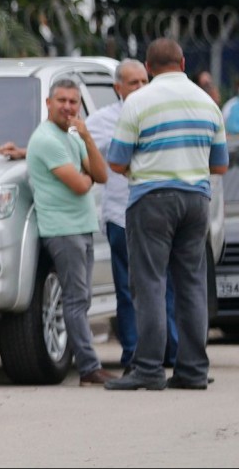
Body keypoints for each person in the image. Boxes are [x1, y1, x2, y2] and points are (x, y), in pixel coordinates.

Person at [105, 38, 228, 391]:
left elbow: (116, 160)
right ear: (183, 62)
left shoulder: (138, 101)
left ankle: (148, 369)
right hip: (195, 202)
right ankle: (191, 371)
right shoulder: (208, 104)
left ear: (148, 67)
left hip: (151, 200)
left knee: (149, 284)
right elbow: (219, 165)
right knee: (191, 285)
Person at [86, 59, 178, 374]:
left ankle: (170, 351)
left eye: (144, 81)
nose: (140, 87)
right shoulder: (103, 120)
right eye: (133, 83)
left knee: (164, 285)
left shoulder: (162, 113)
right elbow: (75, 148)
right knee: (128, 289)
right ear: (118, 88)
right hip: (120, 214)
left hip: (158, 214)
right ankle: (133, 354)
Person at [25, 77, 115, 386]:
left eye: (73, 102)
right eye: (61, 100)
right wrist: (86, 175)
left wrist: (87, 138)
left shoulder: (75, 136)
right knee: (76, 301)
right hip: (62, 230)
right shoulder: (46, 139)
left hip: (82, 227)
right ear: (48, 103)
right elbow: (80, 185)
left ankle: (89, 365)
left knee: (82, 299)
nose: (67, 107)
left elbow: (101, 174)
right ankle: (89, 368)